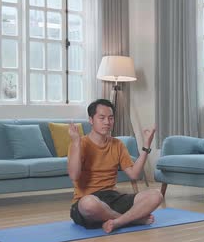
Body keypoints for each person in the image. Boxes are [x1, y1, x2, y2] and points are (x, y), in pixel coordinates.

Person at [68, 99, 163, 233]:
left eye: (110, 118)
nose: (107, 122)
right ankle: (132, 220)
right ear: (91, 120)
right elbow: (74, 175)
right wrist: (76, 143)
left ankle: (117, 222)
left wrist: (146, 146)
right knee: (88, 204)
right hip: (87, 200)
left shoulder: (117, 144)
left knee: (156, 195)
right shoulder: (79, 143)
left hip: (112, 198)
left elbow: (134, 174)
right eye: (102, 118)